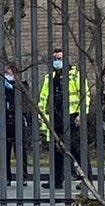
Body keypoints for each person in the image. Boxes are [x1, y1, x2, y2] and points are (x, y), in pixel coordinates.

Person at [38, 48, 90, 189]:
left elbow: (85, 95)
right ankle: (56, 180)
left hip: (72, 116)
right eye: (55, 58)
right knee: (56, 150)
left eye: (60, 58)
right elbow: (44, 99)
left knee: (75, 148)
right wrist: (43, 117)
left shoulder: (75, 75)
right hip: (55, 117)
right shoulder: (50, 77)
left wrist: (81, 114)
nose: (57, 61)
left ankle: (86, 179)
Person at [0, 65, 31, 186]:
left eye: (9, 73)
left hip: (18, 121)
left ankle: (23, 177)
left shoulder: (22, 85)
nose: (7, 76)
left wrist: (13, 87)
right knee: (5, 151)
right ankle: (7, 177)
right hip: (6, 120)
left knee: (20, 151)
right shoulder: (3, 88)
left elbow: (24, 102)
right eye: (6, 73)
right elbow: (0, 104)